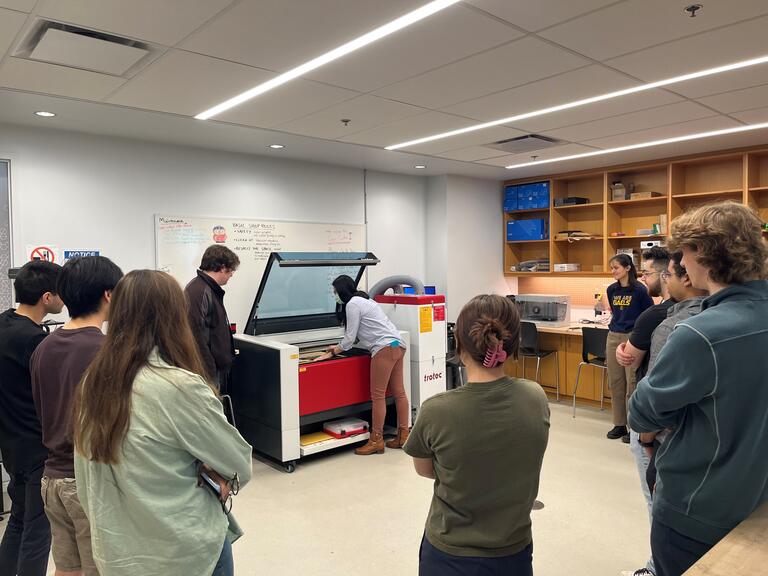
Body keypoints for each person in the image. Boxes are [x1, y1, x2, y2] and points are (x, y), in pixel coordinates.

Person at [73, 270, 253, 576]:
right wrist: (207, 468)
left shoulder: (92, 382)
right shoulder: (179, 387)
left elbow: (87, 478)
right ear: (173, 317)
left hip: (118, 554)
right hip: (184, 552)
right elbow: (237, 464)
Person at [629, 201, 768, 576]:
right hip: (756, 501)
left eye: (685, 255)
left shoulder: (699, 334)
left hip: (696, 512)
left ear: (704, 256)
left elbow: (642, 413)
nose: (683, 265)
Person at [403, 294, 549, 575]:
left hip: (450, 553)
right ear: (514, 344)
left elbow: (426, 470)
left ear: (458, 344)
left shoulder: (436, 410)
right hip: (514, 550)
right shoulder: (535, 397)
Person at [30, 255, 123, 576]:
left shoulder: (44, 345)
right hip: (89, 481)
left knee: (67, 568)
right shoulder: (106, 350)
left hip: (52, 479)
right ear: (109, 294)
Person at [618, 251, 707, 576]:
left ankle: (656, 568)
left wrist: (645, 438)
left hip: (663, 440)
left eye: (666, 274)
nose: (662, 280)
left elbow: (652, 397)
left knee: (659, 506)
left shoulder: (671, 326)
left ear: (687, 276)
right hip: (699, 442)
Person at [0, 261, 63, 576]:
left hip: (11, 444)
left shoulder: (4, 324)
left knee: (19, 520)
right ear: (47, 297)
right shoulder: (36, 341)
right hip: (37, 447)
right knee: (39, 531)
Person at [313, 275, 409, 455]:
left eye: (335, 291)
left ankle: (376, 440)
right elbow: (360, 332)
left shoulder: (352, 305)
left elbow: (349, 340)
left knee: (378, 396)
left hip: (384, 348)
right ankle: (404, 435)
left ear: (341, 290)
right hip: (397, 344)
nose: (335, 295)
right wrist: (337, 346)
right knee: (400, 392)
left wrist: (332, 352)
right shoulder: (366, 300)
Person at [605, 254, 653, 442]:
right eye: (611, 268)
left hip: (633, 338)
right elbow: (616, 313)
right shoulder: (611, 290)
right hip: (613, 336)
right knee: (616, 382)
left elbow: (649, 314)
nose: (613, 271)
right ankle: (619, 424)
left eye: (616, 267)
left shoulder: (640, 291)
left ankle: (634, 426)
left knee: (632, 383)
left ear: (627, 268)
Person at [185, 244, 240, 392]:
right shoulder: (199, 291)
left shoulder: (207, 288)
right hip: (206, 371)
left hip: (214, 369)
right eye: (231, 270)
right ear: (222, 267)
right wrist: (208, 371)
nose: (232, 274)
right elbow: (195, 335)